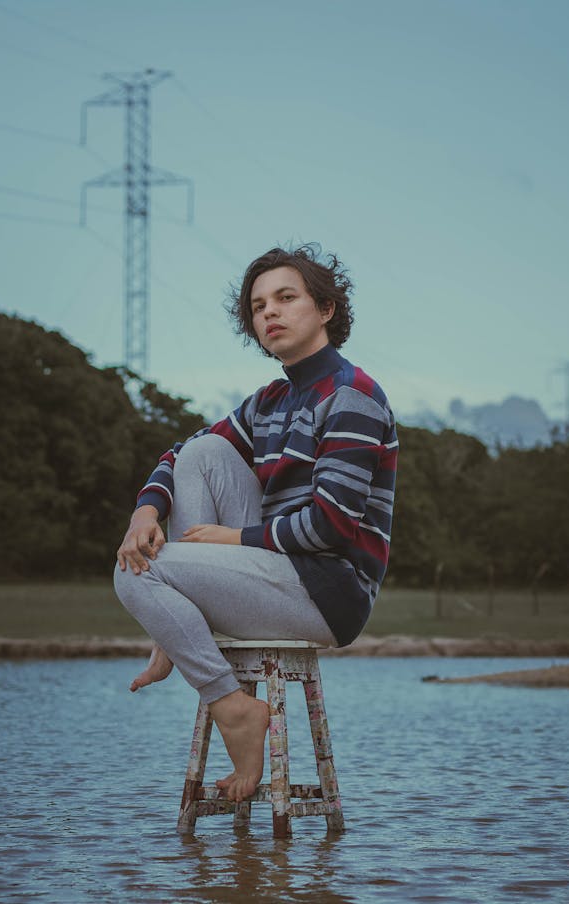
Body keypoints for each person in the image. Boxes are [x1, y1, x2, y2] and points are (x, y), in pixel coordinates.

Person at [114, 244, 398, 803]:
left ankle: (233, 707)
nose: (269, 312)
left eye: (286, 298)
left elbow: (332, 526)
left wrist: (232, 538)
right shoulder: (269, 399)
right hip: (273, 571)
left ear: (326, 309)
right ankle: (177, 624)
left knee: (133, 573)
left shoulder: (353, 396)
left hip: (326, 590)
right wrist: (145, 511)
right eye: (258, 304)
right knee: (202, 454)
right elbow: (180, 453)